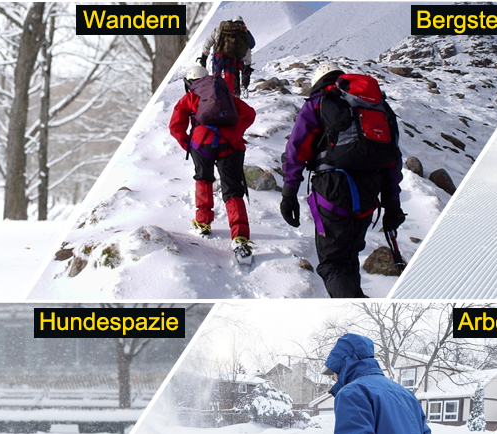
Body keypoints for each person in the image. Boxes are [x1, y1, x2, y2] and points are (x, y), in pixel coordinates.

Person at [280, 62, 406, 298]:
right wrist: (392, 206)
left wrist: (289, 194)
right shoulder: (378, 106)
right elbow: (392, 160)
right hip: (370, 191)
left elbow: (296, 149)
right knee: (349, 258)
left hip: (332, 189)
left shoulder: (319, 101)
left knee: (333, 263)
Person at [169, 65, 258, 262]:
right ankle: (240, 237)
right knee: (233, 189)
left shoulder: (190, 97)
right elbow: (249, 114)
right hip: (232, 146)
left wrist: (189, 145)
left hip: (202, 145)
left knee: (203, 179)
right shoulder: (224, 95)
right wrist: (236, 131)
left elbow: (175, 126)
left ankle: (203, 222)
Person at [199, 17, 256, 96]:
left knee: (216, 78)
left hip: (218, 56)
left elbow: (208, 41)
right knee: (230, 80)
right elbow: (246, 49)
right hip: (231, 58)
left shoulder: (221, 28)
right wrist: (247, 64)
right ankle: (231, 98)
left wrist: (204, 55)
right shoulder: (241, 32)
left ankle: (215, 96)